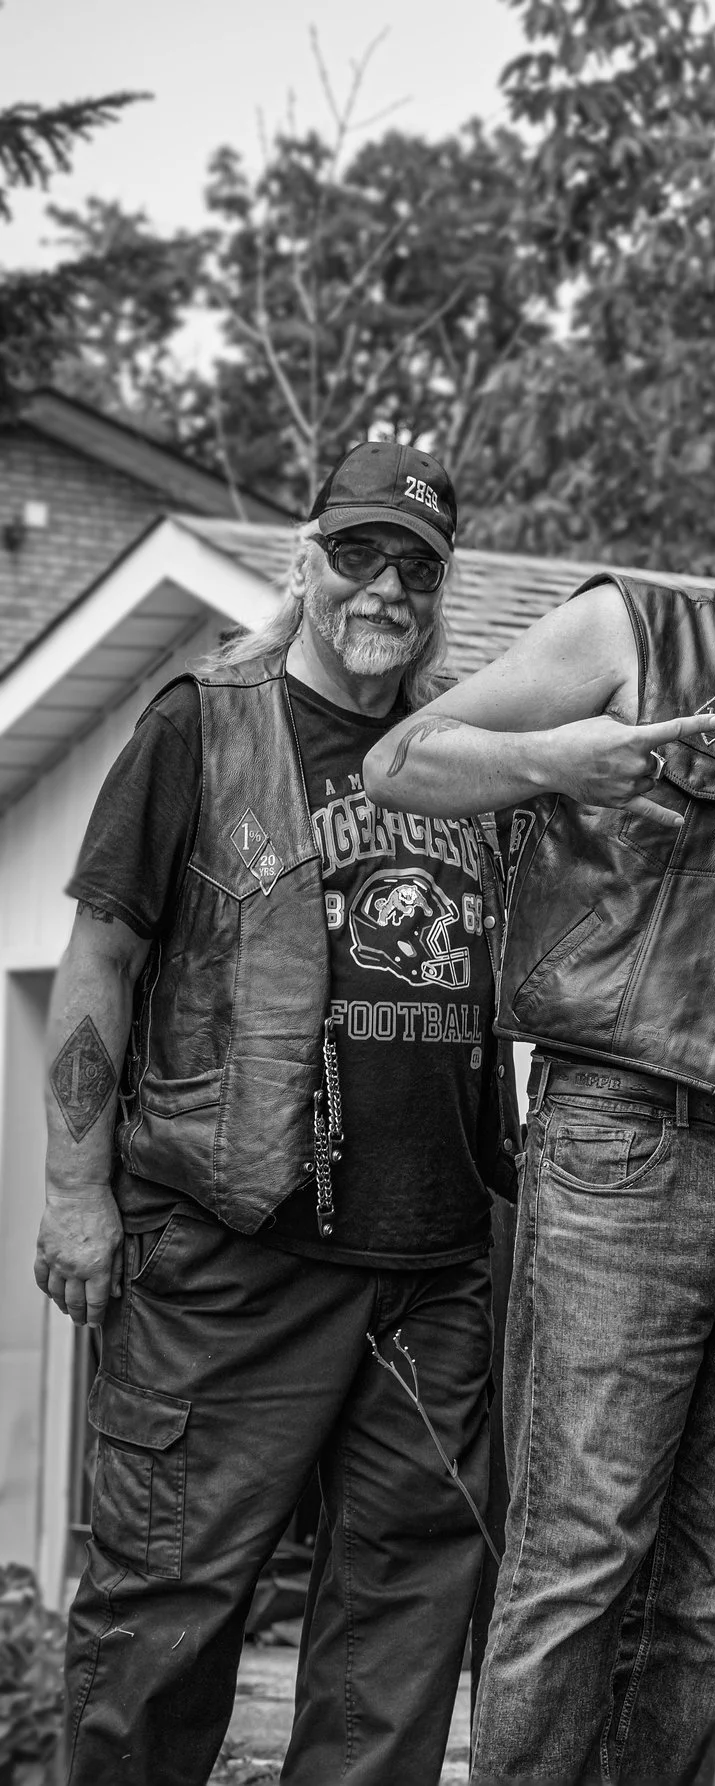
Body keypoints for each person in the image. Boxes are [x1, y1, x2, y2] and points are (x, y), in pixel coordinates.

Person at [365, 399, 715, 1777]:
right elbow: (402, 759)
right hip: (625, 1139)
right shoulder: (634, 628)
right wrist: (551, 760)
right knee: (580, 1550)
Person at [38, 441, 508, 1782]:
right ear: (304, 562)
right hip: (227, 1251)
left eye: (415, 566)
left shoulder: (463, 747)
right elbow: (99, 962)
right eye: (357, 554)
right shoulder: (200, 720)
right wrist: (73, 1189)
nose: (384, 587)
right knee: (163, 1612)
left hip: (431, 1268)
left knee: (402, 1633)